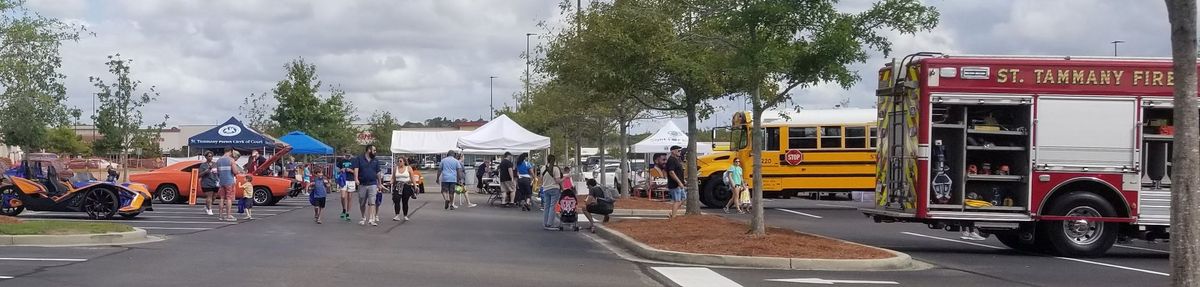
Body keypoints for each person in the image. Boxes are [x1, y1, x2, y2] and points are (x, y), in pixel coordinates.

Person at [351, 145, 383, 226]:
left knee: (372, 202)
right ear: (369, 150)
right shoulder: (359, 158)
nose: (375, 152)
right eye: (374, 150)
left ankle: (371, 219)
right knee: (362, 202)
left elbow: (378, 172)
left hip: (373, 183)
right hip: (362, 184)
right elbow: (356, 169)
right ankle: (363, 217)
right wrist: (356, 179)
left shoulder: (375, 160)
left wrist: (379, 183)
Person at [216, 149, 242, 222]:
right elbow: (235, 171)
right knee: (229, 198)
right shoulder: (231, 160)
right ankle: (228, 215)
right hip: (229, 181)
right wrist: (238, 171)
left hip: (222, 181)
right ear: (230, 151)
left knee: (221, 198)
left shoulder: (219, 160)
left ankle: (220, 215)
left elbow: (218, 172)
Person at [540, 154, 563, 230]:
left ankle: (545, 223)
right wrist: (566, 178)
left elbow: (541, 179)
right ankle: (550, 224)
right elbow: (557, 180)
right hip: (554, 188)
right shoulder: (556, 168)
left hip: (546, 189)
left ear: (547, 160)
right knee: (552, 207)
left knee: (546, 206)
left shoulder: (543, 168)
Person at [666, 146, 686, 218]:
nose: (680, 152)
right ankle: (673, 217)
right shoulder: (671, 160)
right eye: (678, 151)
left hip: (679, 184)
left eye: (680, 151)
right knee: (677, 200)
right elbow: (671, 172)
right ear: (673, 151)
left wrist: (683, 181)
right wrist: (679, 182)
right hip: (675, 184)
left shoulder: (676, 160)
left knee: (683, 198)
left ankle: (672, 213)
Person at [198, 151, 220, 216]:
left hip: (215, 182)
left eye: (211, 156)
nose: (210, 157)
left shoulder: (215, 164)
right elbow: (199, 175)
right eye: (209, 156)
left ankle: (207, 206)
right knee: (209, 196)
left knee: (214, 196)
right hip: (206, 183)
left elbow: (218, 172)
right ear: (206, 157)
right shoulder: (203, 165)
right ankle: (209, 209)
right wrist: (205, 171)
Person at [337, 154, 354, 222]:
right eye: (346, 152)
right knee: (343, 196)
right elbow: (337, 170)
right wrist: (342, 169)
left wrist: (350, 170)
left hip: (351, 180)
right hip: (343, 179)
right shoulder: (342, 160)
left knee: (349, 197)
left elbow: (356, 171)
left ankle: (348, 213)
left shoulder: (354, 160)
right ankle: (344, 209)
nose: (347, 154)